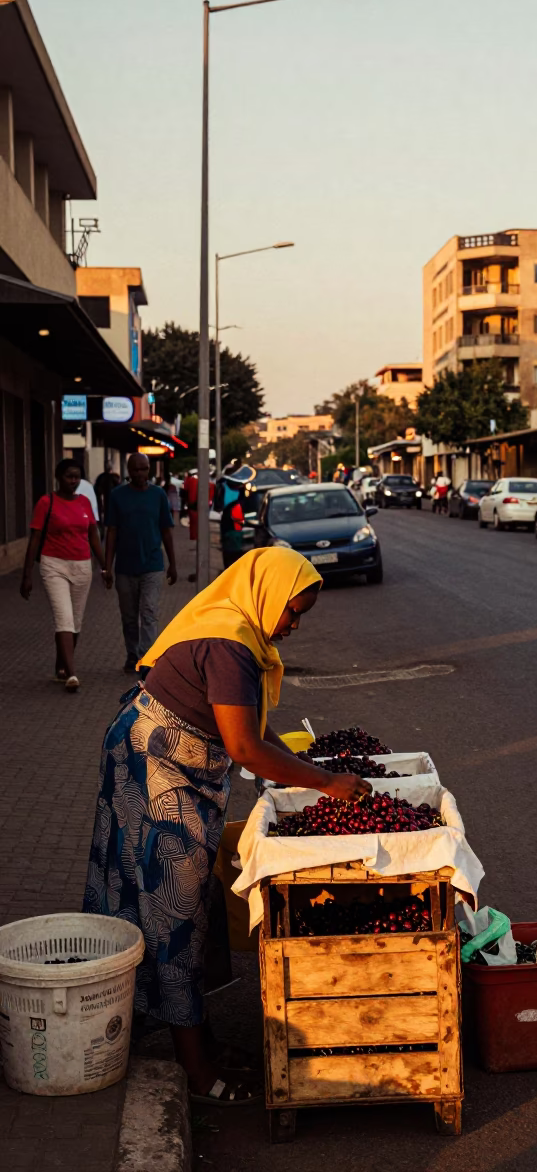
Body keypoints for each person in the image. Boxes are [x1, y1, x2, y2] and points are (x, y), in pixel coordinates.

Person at [83, 547, 371, 1105]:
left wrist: (298, 766)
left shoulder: (238, 630)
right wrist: (326, 782)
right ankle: (195, 1073)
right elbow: (244, 747)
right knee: (173, 914)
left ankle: (201, 1043)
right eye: (292, 611)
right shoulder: (230, 642)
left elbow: (244, 729)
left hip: (163, 763)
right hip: (153, 772)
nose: (291, 626)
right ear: (267, 595)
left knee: (183, 908)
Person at [20, 458, 107, 691]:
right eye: (69, 476)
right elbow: (35, 539)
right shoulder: (46, 502)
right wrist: (27, 574)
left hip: (82, 566)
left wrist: (105, 566)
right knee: (64, 618)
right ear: (59, 477)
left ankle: (61, 665)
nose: (73, 481)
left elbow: (93, 536)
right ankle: (71, 674)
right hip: (53, 565)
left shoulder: (85, 502)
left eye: (77, 477)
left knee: (76, 622)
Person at [104, 453, 178, 673]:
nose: (140, 474)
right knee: (129, 617)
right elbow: (111, 533)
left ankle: (147, 658)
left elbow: (166, 530)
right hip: (125, 567)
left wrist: (173, 563)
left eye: (144, 469)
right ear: (128, 471)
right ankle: (132, 653)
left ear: (150, 470)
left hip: (152, 566)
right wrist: (107, 567)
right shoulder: (117, 496)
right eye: (136, 470)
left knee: (149, 612)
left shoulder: (158, 495)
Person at [94, 460, 120, 527]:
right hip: (104, 501)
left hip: (110, 501)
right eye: (107, 465)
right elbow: (98, 490)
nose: (108, 466)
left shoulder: (114, 477)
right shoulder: (102, 477)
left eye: (109, 465)